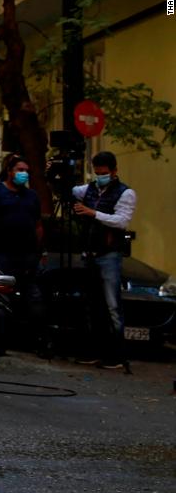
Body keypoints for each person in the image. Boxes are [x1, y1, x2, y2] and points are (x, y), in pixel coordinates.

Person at [72, 151, 136, 372]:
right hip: (90, 253)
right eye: (97, 173)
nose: (100, 177)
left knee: (112, 306)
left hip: (109, 254)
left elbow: (121, 221)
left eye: (104, 173)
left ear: (114, 171)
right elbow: (70, 190)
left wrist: (93, 213)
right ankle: (94, 351)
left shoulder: (125, 193)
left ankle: (117, 354)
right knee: (92, 305)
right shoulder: (88, 189)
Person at [0, 155, 46, 361]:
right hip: (0, 254)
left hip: (26, 256)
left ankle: (40, 342)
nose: (23, 173)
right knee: (0, 299)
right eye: (19, 169)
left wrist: (40, 252)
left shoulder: (31, 197)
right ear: (10, 170)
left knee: (34, 299)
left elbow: (38, 225)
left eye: (26, 169)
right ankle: (0, 343)